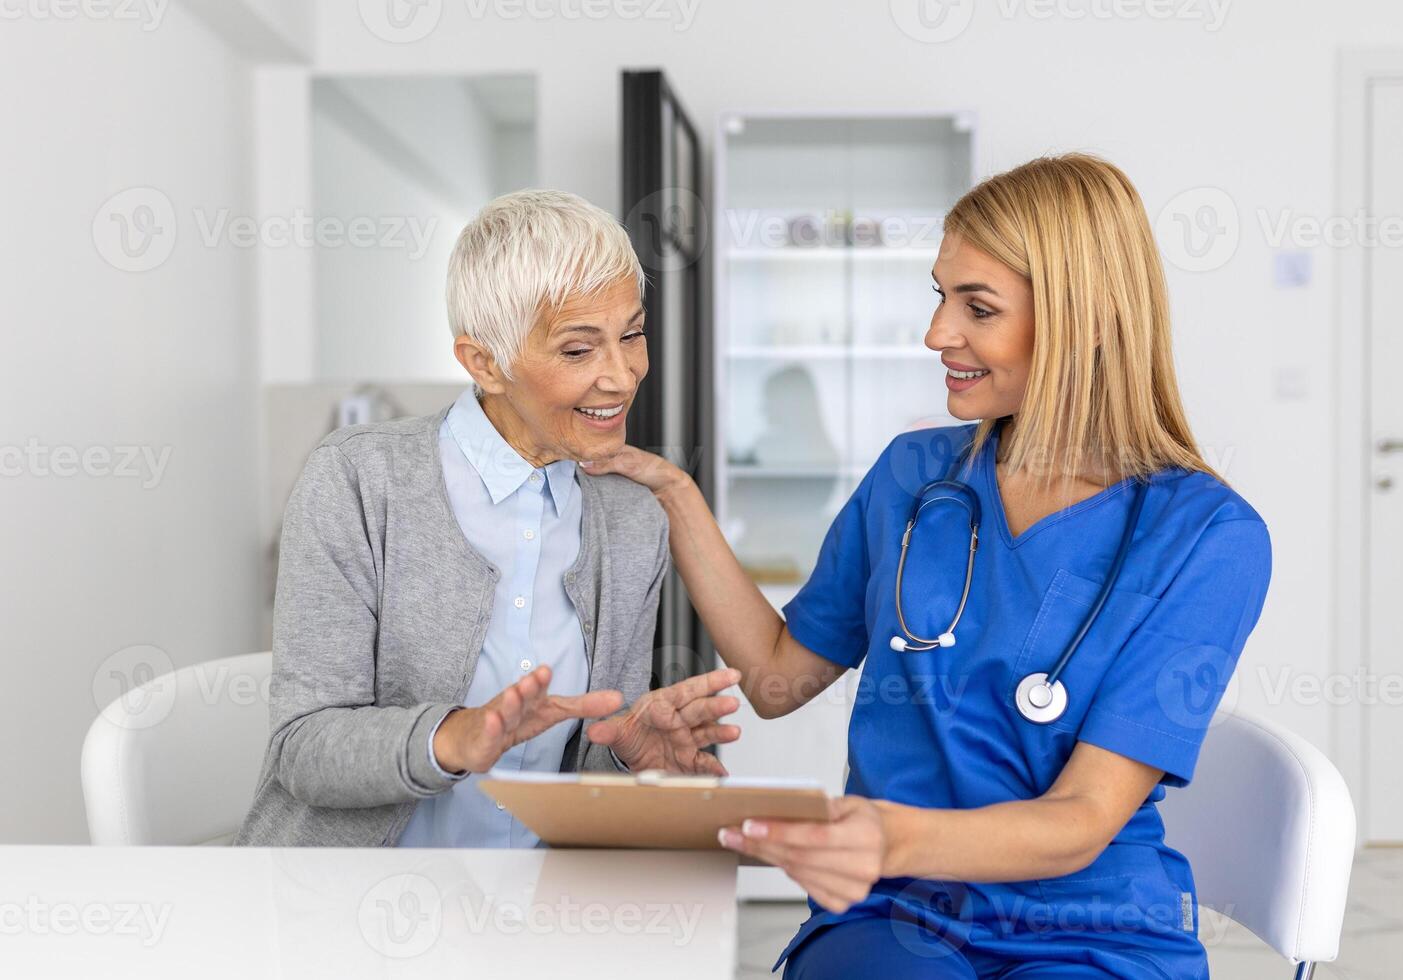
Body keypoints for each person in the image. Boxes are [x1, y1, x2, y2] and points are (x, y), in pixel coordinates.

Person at [583, 155, 1272, 978]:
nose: (938, 333)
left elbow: (1085, 817)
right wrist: (676, 495)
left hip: (1092, 926)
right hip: (897, 912)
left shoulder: (1206, 534)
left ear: (1088, 319)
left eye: (977, 307)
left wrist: (885, 833)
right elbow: (775, 681)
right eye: (940, 296)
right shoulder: (912, 476)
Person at [235, 190, 740, 848]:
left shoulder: (631, 518)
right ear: (484, 364)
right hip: (341, 914)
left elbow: (586, 773)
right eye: (578, 351)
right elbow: (303, 750)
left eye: (632, 335)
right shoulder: (358, 480)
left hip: (529, 912)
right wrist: (456, 737)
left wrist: (623, 755)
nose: (621, 377)